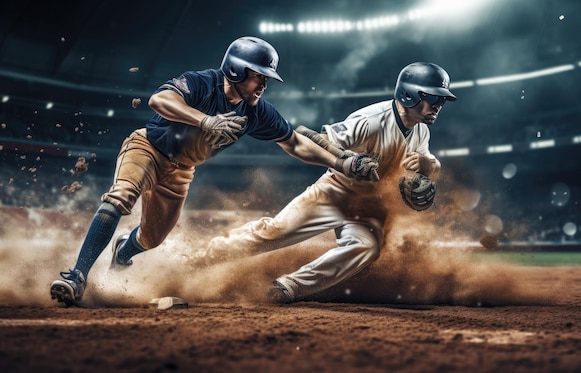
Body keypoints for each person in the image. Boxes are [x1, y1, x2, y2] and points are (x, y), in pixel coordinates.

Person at [50, 36, 379, 306]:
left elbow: (294, 143)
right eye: (258, 75)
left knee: (152, 238)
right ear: (236, 71)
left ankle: (125, 248)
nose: (264, 83)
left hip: (181, 172)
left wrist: (341, 163)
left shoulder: (257, 112)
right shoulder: (201, 83)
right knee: (120, 197)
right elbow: (159, 100)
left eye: (266, 77)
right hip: (147, 148)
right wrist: (204, 120)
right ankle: (77, 276)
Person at [194, 62, 457, 304]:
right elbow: (315, 138)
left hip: (368, 207)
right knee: (274, 233)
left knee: (366, 247)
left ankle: (285, 288)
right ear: (409, 94)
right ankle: (204, 256)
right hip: (334, 192)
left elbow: (430, 164)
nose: (438, 105)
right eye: (432, 97)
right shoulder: (371, 121)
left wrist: (427, 166)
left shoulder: (421, 128)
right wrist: (347, 159)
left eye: (442, 99)